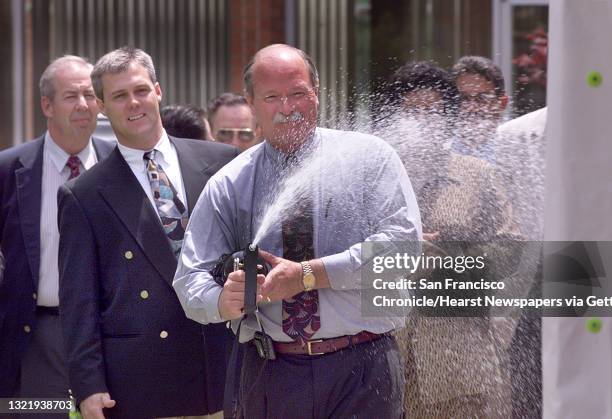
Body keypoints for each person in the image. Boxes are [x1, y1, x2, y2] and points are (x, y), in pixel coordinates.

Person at [173, 44, 421, 419]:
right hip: (268, 370)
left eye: (298, 93)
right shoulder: (229, 183)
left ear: (317, 92)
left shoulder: (370, 157)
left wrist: (308, 275)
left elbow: (403, 249)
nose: (287, 108)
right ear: (251, 102)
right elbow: (189, 280)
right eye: (272, 97)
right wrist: (225, 300)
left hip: (364, 364)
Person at [57, 47, 238, 419]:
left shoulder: (221, 163)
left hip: (225, 369)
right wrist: (88, 387)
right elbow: (79, 302)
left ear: (158, 90)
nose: (133, 103)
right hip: (144, 383)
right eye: (119, 96)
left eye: (140, 90)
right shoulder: (84, 194)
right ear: (103, 106)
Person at [386, 61, 520, 418]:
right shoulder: (377, 178)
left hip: (460, 359)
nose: (422, 120)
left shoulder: (480, 176)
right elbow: (350, 254)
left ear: (447, 114)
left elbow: (512, 253)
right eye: (411, 111)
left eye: (431, 110)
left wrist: (450, 257)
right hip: (386, 357)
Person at [0, 56, 113, 406]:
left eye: (90, 95)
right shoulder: (9, 169)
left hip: (109, 336)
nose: (83, 105)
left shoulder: (121, 165)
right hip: (36, 335)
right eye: (71, 96)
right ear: (46, 105)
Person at [451, 56, 509, 163]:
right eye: (464, 98)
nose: (471, 107)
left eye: (481, 98)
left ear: (502, 103)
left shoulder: (515, 151)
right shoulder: (442, 151)